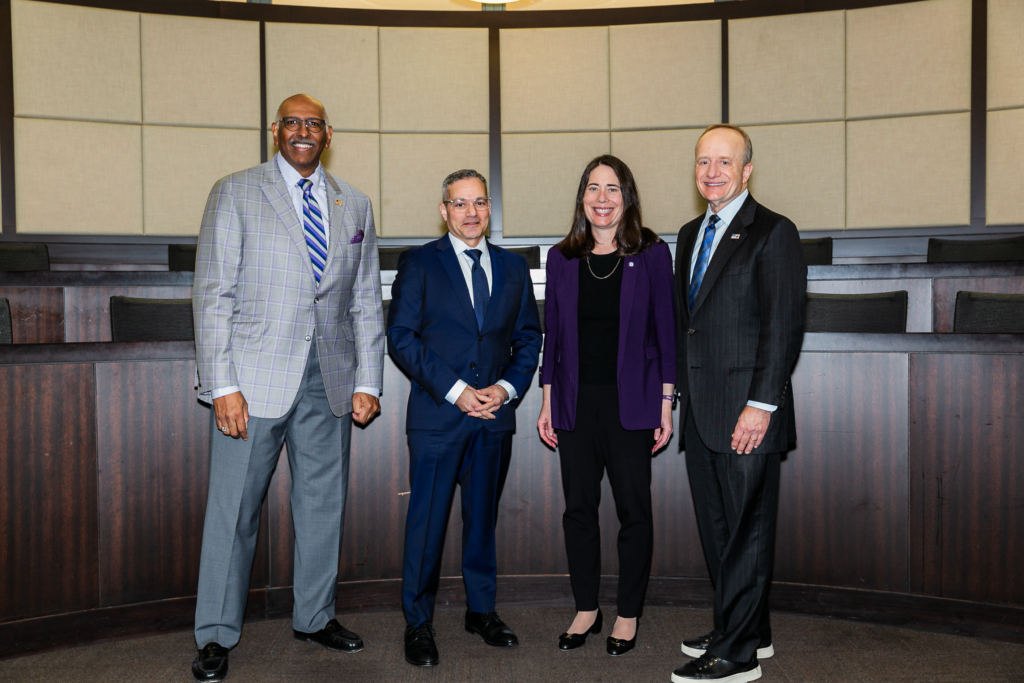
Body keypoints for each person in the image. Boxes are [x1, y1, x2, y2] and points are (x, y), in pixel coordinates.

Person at [190, 94, 384, 683]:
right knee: (233, 512)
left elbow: (365, 302)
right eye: (292, 122)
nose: (303, 131)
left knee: (322, 506)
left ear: (329, 134)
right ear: (275, 130)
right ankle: (217, 634)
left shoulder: (355, 203)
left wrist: (369, 379)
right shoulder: (235, 191)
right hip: (251, 383)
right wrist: (222, 385)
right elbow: (212, 295)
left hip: (329, 379)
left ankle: (315, 615)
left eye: (314, 124)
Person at [387, 169, 542, 667]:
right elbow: (402, 337)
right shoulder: (419, 264)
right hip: (438, 418)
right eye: (460, 204)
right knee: (427, 524)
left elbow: (529, 339)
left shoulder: (513, 268)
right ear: (444, 210)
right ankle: (418, 623)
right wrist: (457, 392)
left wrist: (505, 388)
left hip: (494, 417)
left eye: (479, 202)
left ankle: (481, 612)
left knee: (482, 522)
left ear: (489, 208)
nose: (471, 212)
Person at [670, 124, 806, 683]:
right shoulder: (687, 232)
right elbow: (690, 327)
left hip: (748, 411)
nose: (712, 172)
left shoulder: (773, 232)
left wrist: (761, 404)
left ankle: (738, 656)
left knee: (747, 528)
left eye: (725, 162)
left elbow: (784, 327)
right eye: (704, 162)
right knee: (720, 530)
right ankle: (744, 625)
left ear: (747, 170)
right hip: (701, 410)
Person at [536, 155, 676, 657]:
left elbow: (667, 333)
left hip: (633, 403)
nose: (602, 198)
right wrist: (548, 400)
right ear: (582, 198)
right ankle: (587, 607)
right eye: (593, 188)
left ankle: (628, 613)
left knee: (634, 511)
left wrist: (666, 402)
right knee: (579, 510)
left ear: (627, 197)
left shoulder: (653, 254)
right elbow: (552, 335)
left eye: (612, 189)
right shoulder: (561, 258)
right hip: (575, 403)